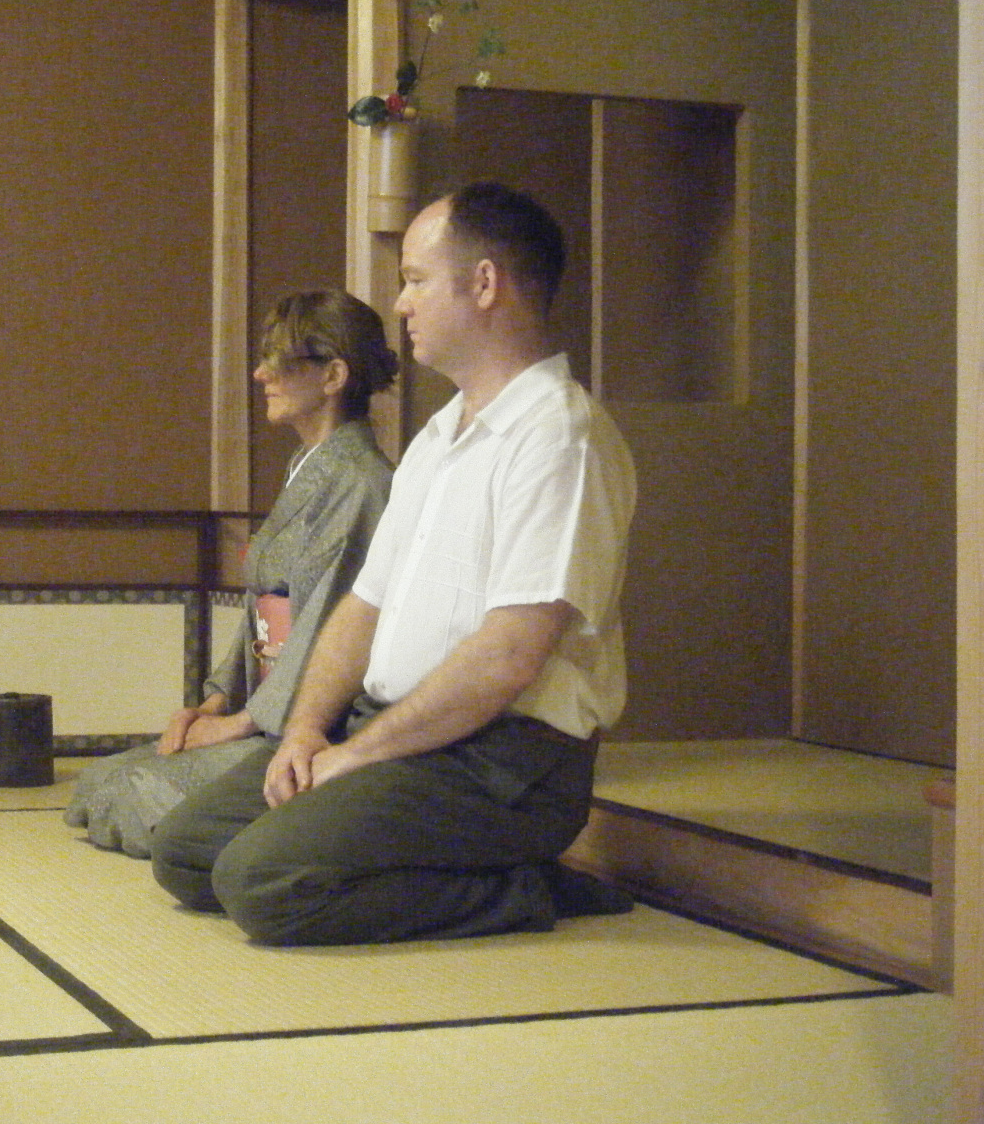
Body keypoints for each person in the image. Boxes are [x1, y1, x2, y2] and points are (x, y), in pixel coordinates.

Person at [151, 183, 637, 945]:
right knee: (185, 852)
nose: (401, 303)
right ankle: (412, 845)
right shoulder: (438, 437)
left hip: (502, 762)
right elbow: (365, 606)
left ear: (484, 283)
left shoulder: (560, 435)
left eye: (415, 279)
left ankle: (526, 888)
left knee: (262, 882)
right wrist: (306, 732)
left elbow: (511, 653)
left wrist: (357, 757)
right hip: (396, 730)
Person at [64, 289, 397, 857]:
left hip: (306, 726)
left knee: (132, 795)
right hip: (264, 708)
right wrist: (214, 704)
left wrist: (242, 722)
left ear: (333, 375)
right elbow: (262, 615)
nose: (260, 373)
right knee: (98, 782)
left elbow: (327, 629)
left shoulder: (362, 483)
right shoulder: (308, 469)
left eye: (278, 360)